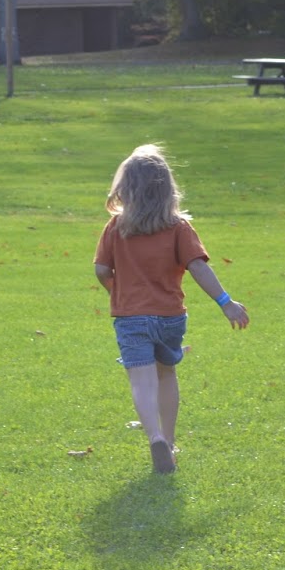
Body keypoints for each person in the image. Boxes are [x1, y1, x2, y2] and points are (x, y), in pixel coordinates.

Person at [93, 144, 249, 474]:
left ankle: (154, 438)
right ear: (167, 189)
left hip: (130, 316)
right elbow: (198, 267)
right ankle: (171, 438)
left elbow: (101, 270)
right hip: (169, 316)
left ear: (125, 188)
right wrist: (226, 303)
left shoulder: (116, 228)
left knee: (141, 380)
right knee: (167, 374)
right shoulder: (178, 228)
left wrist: (116, 290)